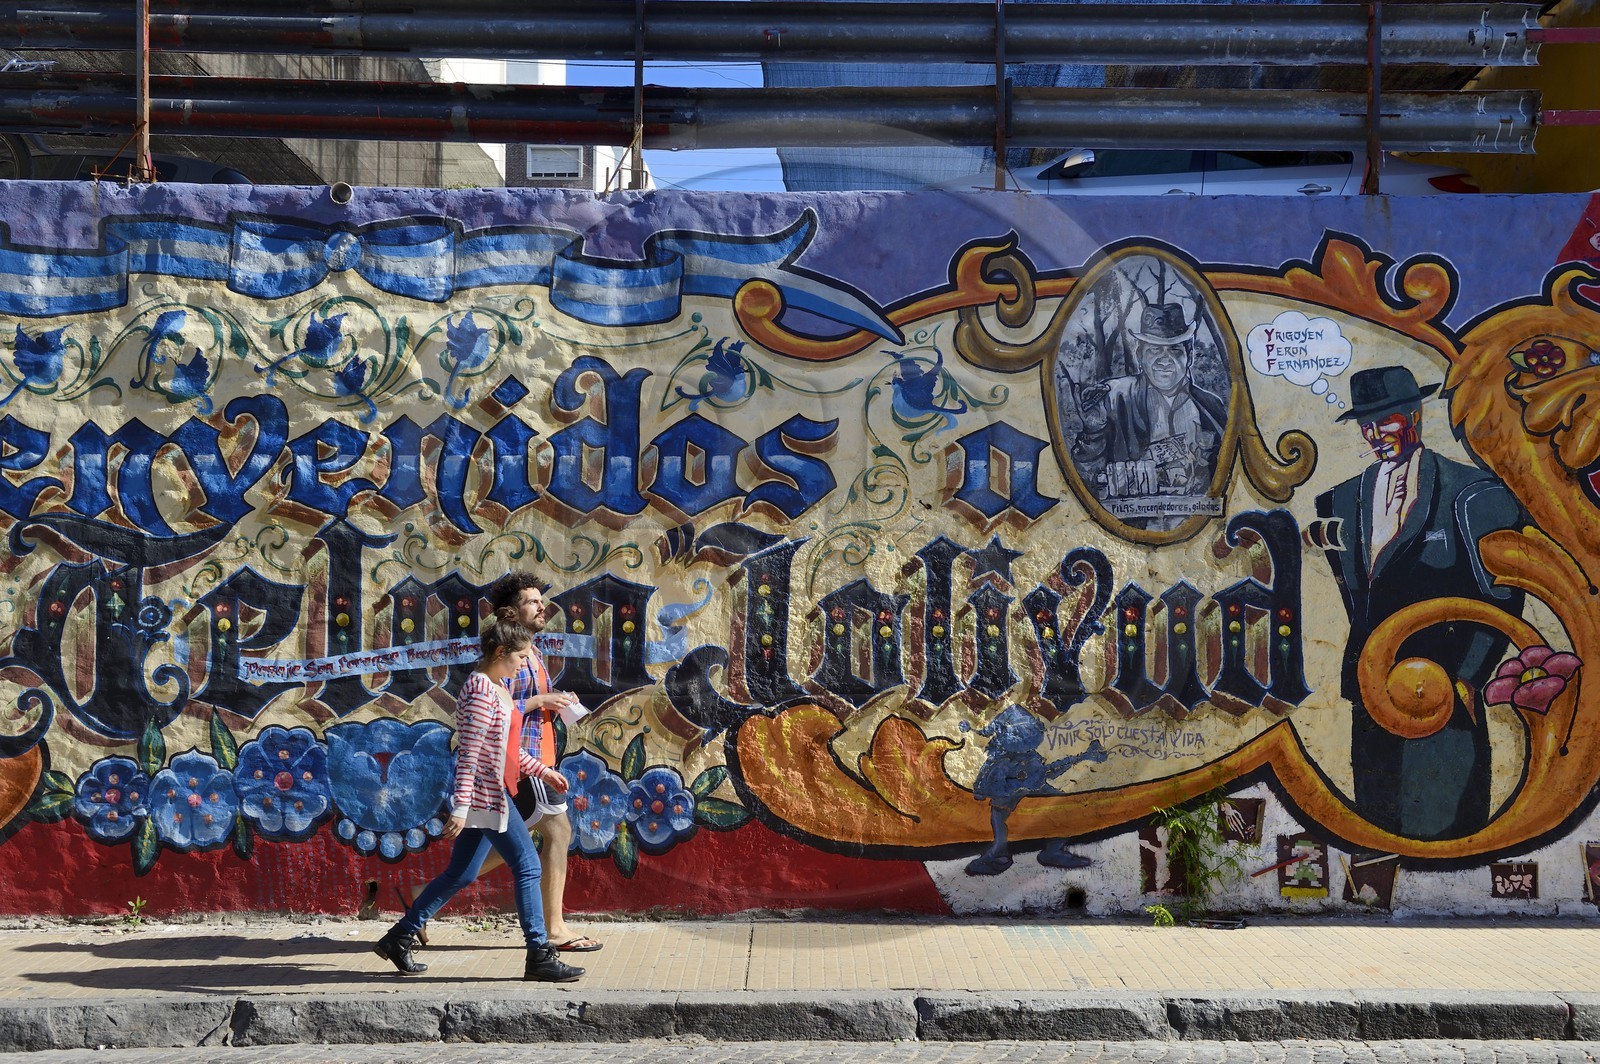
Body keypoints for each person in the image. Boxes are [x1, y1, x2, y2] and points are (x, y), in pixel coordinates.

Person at [1306, 365, 1524, 840]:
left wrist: (1467, 678)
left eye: (1384, 421)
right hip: (1370, 688)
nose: (1374, 434)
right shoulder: (1339, 500)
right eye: (1365, 424)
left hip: (1442, 692)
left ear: (1414, 414)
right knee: (1378, 822)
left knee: (1445, 824)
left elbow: (1501, 596)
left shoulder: (1471, 492)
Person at [373, 608, 584, 982]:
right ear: (501, 652)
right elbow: (469, 752)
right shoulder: (478, 691)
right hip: (487, 797)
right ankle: (539, 954)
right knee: (529, 866)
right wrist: (462, 806)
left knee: (462, 873)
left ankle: (399, 937)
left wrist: (544, 771)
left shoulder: (499, 689)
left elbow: (506, 748)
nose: (525, 664)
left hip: (492, 793)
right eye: (521, 657)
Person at [404, 573, 600, 953]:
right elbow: (502, 707)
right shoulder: (506, 656)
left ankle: (423, 897)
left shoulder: (529, 649)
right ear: (511, 612)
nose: (542, 606)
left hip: (531, 759)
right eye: (532, 601)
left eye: (541, 600)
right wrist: (541, 703)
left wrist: (556, 700)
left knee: (507, 843)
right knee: (556, 833)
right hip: (517, 759)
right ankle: (553, 931)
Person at [1073, 302, 1227, 510]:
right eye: (1155, 350)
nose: (1165, 359)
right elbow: (1086, 476)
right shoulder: (1114, 398)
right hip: (1132, 528)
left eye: (1174, 349)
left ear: (1189, 356)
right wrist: (1093, 433)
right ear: (1139, 355)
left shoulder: (1211, 406)